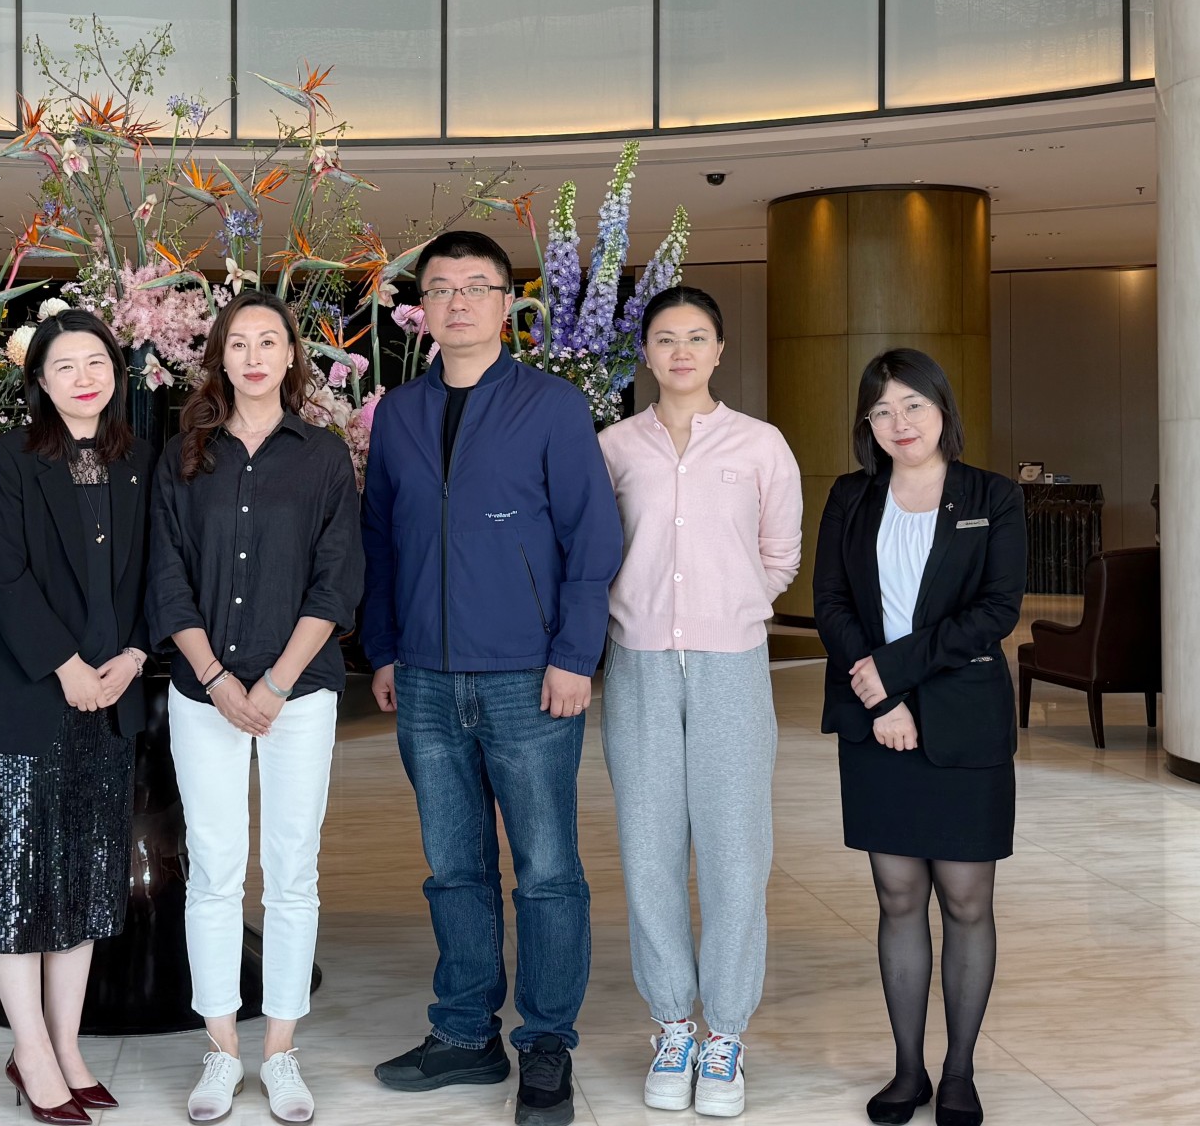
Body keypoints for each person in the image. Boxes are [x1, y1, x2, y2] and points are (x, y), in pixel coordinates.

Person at [362, 231, 622, 1126]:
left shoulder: (551, 405)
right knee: (453, 869)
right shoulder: (397, 412)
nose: (459, 302)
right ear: (422, 309)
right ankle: (466, 1034)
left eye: (478, 286)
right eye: (441, 288)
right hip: (425, 679)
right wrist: (384, 648)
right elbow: (381, 538)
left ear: (508, 305)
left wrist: (575, 655)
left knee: (546, 870)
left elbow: (592, 536)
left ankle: (546, 1045)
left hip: (529, 677)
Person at [145, 290, 363, 1126]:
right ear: (220, 358)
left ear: (291, 356)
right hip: (203, 691)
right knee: (213, 869)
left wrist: (273, 684)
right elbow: (166, 575)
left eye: (270, 342)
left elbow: (336, 580)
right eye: (239, 343)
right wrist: (215, 677)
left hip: (299, 693)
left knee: (293, 869)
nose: (254, 357)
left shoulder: (322, 456)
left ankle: (279, 1053)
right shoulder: (185, 456)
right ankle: (220, 1050)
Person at [597, 286, 801, 1118]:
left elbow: (779, 555)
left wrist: (732, 604)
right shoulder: (614, 447)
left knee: (734, 854)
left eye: (697, 337)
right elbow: (594, 550)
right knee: (648, 851)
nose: (681, 352)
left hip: (731, 666)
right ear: (645, 352)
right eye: (665, 338)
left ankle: (725, 1034)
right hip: (638, 662)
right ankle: (673, 1024)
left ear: (720, 350)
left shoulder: (760, 445)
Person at [0, 309, 156, 1126]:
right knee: (19, 879)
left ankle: (68, 1046)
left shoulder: (139, 461)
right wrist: (64, 665)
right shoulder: (7, 459)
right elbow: (2, 572)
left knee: (86, 880)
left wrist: (134, 655)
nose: (83, 377)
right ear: (38, 379)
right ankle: (30, 1050)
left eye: (96, 361)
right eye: (64, 365)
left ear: (116, 371)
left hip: (112, 698)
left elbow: (158, 571)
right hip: (31, 695)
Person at [813, 348, 1024, 1126]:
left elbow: (995, 611)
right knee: (897, 895)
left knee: (966, 900)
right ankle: (908, 1071)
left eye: (912, 405)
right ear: (866, 423)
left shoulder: (992, 497)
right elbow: (830, 601)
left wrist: (892, 674)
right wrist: (882, 700)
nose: (898, 423)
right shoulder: (851, 496)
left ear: (942, 410)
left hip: (964, 724)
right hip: (876, 724)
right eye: (881, 410)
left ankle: (959, 1072)